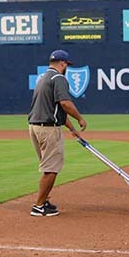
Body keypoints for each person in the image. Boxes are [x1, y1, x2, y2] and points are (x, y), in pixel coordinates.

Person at [28, 49, 87, 217]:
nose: (67, 67)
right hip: (48, 128)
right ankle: (39, 206)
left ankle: (43, 200)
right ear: (62, 63)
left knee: (48, 166)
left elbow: (56, 109)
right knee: (51, 169)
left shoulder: (43, 78)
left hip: (35, 127)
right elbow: (65, 104)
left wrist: (71, 129)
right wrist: (80, 119)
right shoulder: (59, 78)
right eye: (67, 64)